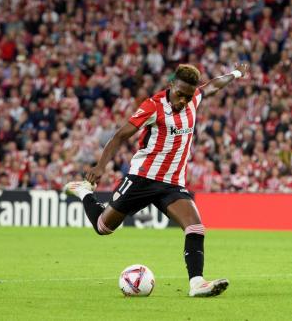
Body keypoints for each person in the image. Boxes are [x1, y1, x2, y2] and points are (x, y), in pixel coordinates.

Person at [64, 63, 249, 297]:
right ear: (172, 84)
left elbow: (212, 86)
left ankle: (197, 283)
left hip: (172, 183)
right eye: (180, 94)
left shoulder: (194, 98)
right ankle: (84, 192)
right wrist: (101, 166)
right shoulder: (153, 106)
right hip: (142, 178)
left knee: (195, 227)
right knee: (103, 227)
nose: (183, 100)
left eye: (188, 95)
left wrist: (236, 74)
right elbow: (121, 135)